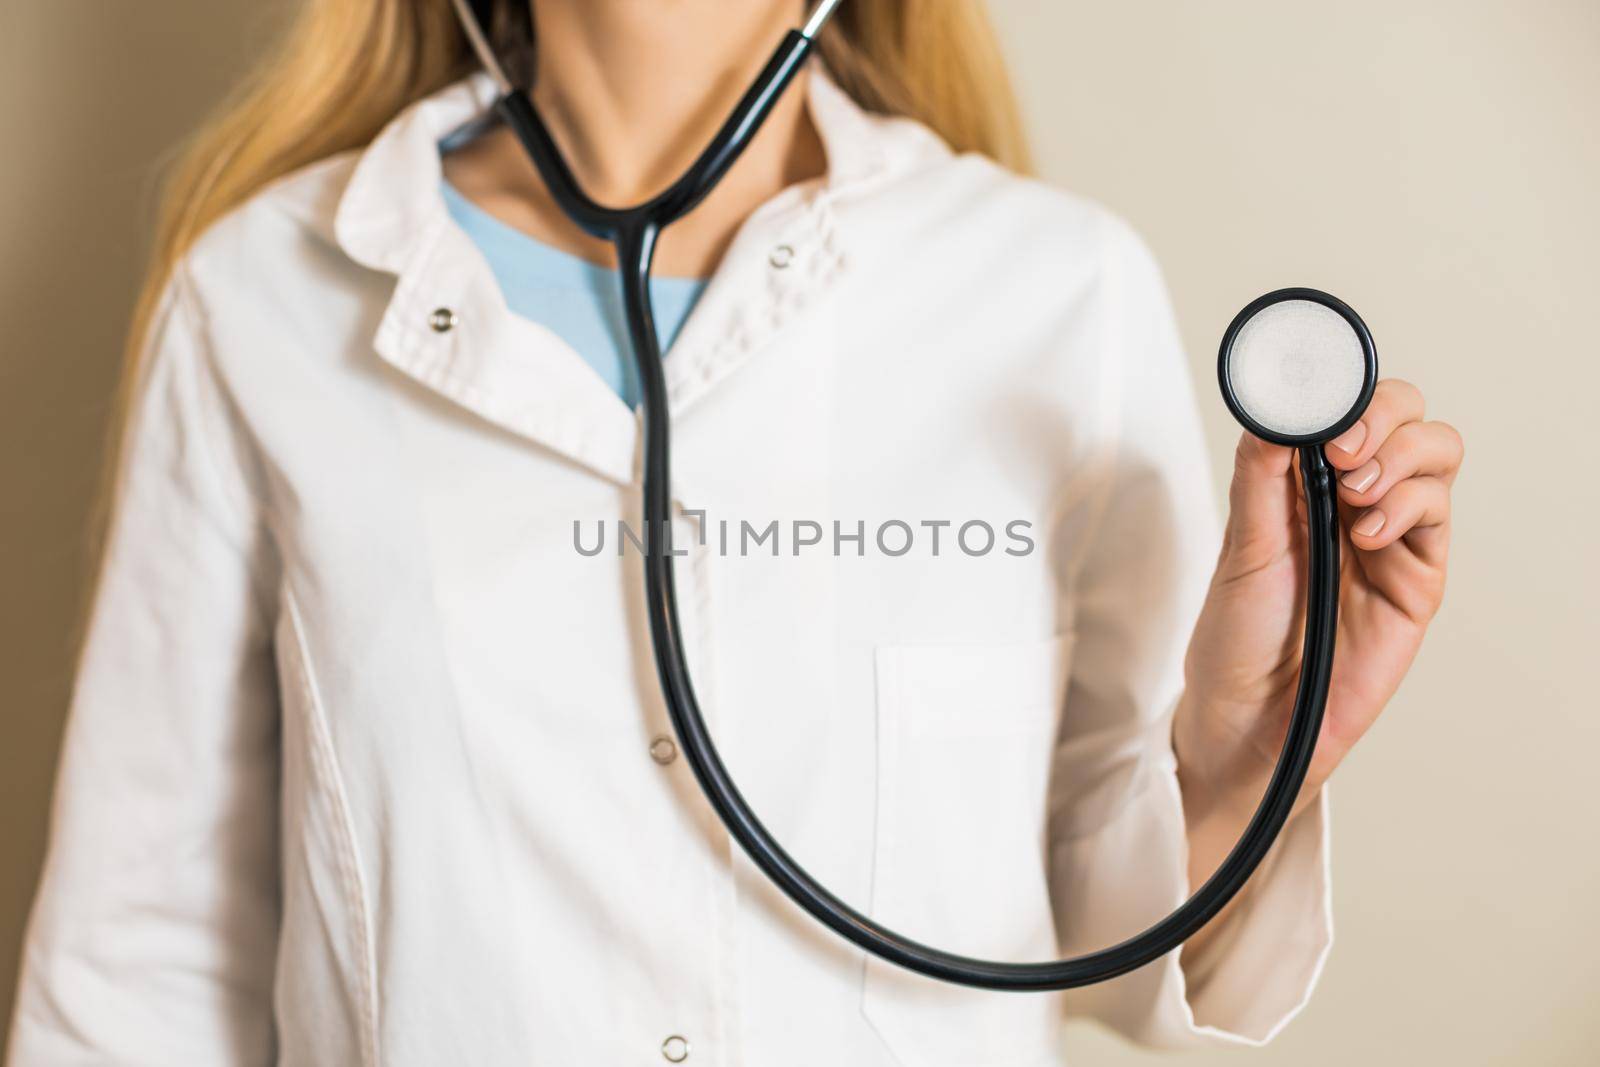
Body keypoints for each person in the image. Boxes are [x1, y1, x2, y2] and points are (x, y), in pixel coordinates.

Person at [7, 2, 1464, 1064]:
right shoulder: (262, 297)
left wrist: (1248, 750)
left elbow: (1108, 931)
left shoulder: (1051, 292)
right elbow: (135, 977)